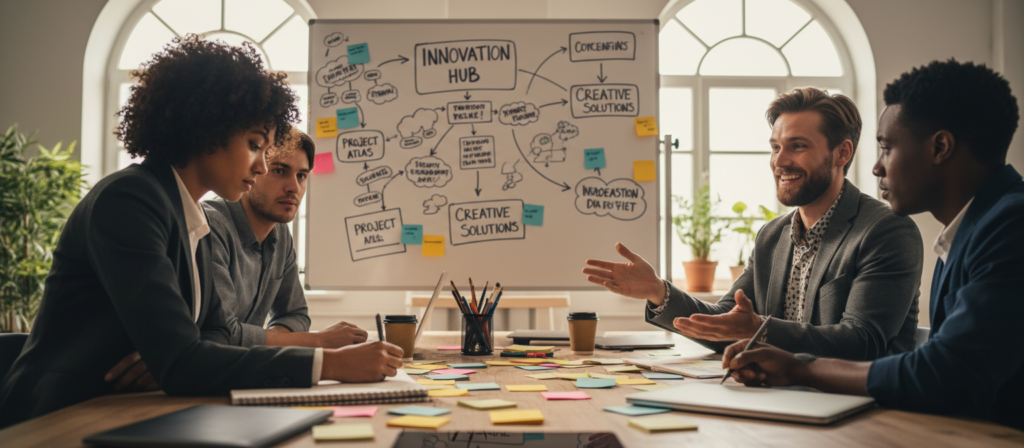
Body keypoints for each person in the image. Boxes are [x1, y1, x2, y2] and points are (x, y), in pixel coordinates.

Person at [0, 36, 403, 428]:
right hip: (59, 419)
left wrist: (183, 356)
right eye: (253, 144)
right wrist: (330, 363)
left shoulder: (190, 217)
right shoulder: (130, 201)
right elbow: (184, 360)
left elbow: (213, 337)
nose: (262, 166)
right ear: (206, 129)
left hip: (132, 411)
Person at [722, 60, 1023, 430]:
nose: (877, 168)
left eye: (887, 148)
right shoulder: (965, 234)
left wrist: (799, 367)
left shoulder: (1011, 226)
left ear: (941, 147)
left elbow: (946, 373)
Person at [583, 87, 924, 360]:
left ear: (842, 153)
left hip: (861, 413)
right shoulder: (772, 236)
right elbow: (725, 322)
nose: (779, 161)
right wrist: (658, 292)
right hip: (780, 401)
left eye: (797, 146)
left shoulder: (886, 231)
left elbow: (862, 343)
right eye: (775, 147)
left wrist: (758, 328)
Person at [102, 130, 369, 393]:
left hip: (215, 381)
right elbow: (217, 337)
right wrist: (319, 345)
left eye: (302, 175)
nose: (293, 187)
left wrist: (274, 342)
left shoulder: (279, 234)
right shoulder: (197, 220)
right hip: (116, 393)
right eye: (278, 170)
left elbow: (293, 315)